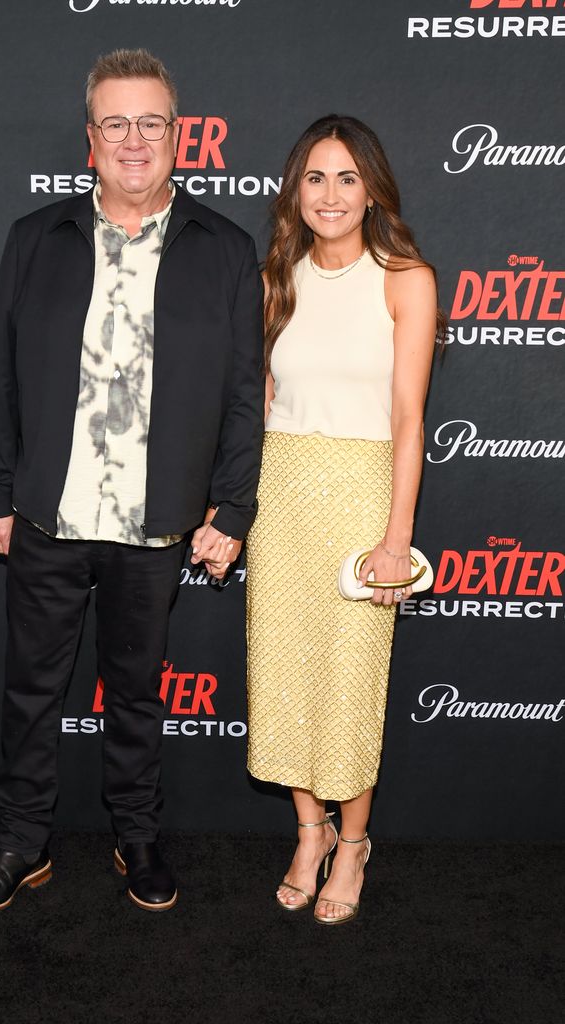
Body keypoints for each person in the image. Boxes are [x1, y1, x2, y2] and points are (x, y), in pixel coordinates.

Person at [0, 49, 264, 916]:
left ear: (179, 136)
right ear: (91, 140)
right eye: (117, 124)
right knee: (30, 692)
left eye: (152, 123)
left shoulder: (226, 250)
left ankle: (136, 837)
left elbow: (245, 395)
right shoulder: (35, 238)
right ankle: (21, 842)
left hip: (159, 521)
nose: (136, 140)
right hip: (48, 514)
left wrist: (233, 506)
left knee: (136, 693)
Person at [245, 115, 442, 925]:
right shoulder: (275, 275)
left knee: (349, 681)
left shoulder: (404, 277)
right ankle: (309, 830)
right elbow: (258, 404)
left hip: (362, 492)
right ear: (296, 189)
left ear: (371, 191)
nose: (329, 195)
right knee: (282, 672)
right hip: (279, 490)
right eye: (315, 178)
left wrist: (395, 537)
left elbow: (408, 416)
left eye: (347, 179)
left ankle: (354, 843)